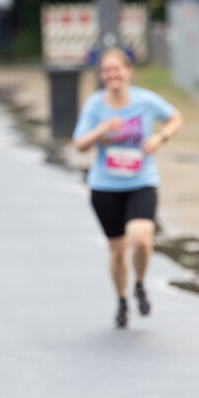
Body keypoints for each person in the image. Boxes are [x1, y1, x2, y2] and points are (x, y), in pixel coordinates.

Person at [73, 48, 184, 328]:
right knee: (118, 250)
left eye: (117, 69)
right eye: (106, 70)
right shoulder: (95, 105)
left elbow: (176, 118)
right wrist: (101, 130)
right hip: (105, 186)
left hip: (141, 181)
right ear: (101, 75)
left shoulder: (145, 101)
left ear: (128, 71)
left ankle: (140, 284)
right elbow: (79, 144)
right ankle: (122, 301)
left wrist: (160, 137)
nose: (112, 75)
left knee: (141, 237)